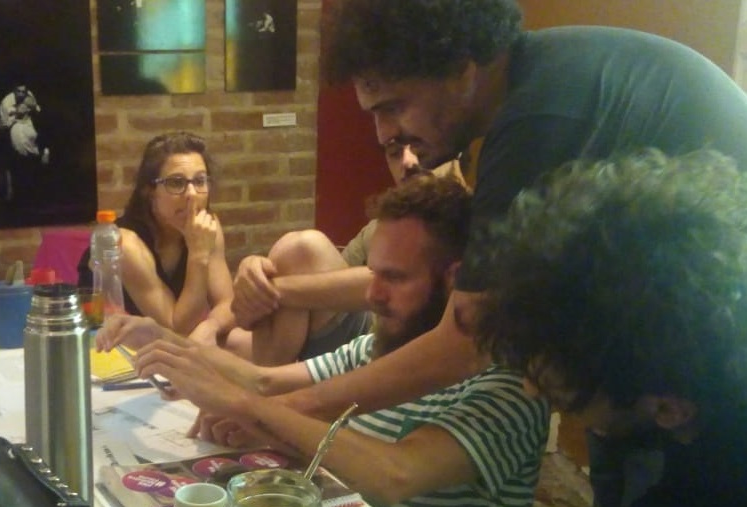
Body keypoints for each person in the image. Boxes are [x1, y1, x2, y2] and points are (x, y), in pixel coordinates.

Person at [278, 0, 747, 420]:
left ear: (461, 71)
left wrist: (290, 410)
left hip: (718, 337)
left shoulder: (536, 120)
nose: (384, 134)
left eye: (394, 107)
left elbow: (466, 337)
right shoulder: (542, 77)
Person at [100, 175, 549, 507]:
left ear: (454, 279)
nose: (372, 295)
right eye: (372, 274)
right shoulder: (375, 350)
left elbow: (396, 474)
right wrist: (164, 340)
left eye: (394, 278)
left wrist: (241, 405)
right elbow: (264, 380)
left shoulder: (509, 387)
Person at [468, 149, 747, 507]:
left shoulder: (721, 485)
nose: (533, 390)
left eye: (563, 394)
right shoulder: (707, 393)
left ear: (667, 408)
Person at [231, 142, 463, 365]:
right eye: (394, 153)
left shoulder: (470, 222)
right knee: (232, 341)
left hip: (415, 347)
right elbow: (329, 284)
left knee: (301, 249)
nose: (408, 162)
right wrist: (252, 278)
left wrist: (272, 291)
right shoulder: (382, 227)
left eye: (419, 148)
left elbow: (388, 285)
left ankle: (265, 381)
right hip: (368, 341)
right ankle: (266, 379)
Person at [78, 131, 248, 353]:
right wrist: (198, 255)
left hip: (160, 350)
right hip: (106, 349)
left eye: (200, 181)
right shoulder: (124, 243)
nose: (191, 194)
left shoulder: (207, 227)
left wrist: (211, 326)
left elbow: (227, 304)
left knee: (244, 341)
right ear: (149, 191)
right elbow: (175, 328)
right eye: (176, 183)